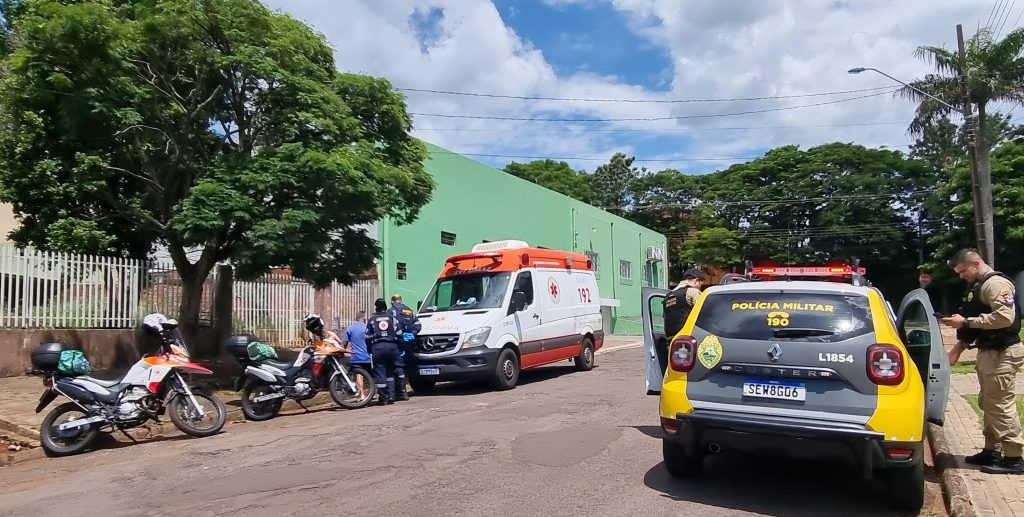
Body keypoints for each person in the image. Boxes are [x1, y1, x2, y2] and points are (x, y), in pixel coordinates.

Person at [941, 249, 1024, 474]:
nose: (961, 276)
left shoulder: (995, 284)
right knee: (988, 403)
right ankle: (992, 450)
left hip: (1002, 354)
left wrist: (966, 322)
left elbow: (1004, 318)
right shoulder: (980, 286)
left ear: (976, 263)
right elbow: (979, 320)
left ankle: (1014, 457)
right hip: (991, 353)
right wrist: (958, 347)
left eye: (963, 271)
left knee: (1000, 405)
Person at [659, 268, 705, 375]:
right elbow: (702, 312)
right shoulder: (693, 292)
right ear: (696, 281)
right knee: (691, 371)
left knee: (675, 369)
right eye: (700, 283)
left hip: (671, 339)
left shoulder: (668, 296)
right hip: (688, 338)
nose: (700, 286)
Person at [366, 298, 402, 406]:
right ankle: (391, 396)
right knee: (390, 372)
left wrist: (369, 349)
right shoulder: (393, 319)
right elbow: (400, 334)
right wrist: (399, 348)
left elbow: (367, 337)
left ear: (376, 307)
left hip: (378, 348)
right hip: (392, 347)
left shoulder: (372, 320)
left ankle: (384, 398)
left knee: (380, 372)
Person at [389, 294, 422, 402]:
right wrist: (412, 333)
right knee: (407, 367)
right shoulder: (409, 310)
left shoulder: (391, 311)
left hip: (398, 343)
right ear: (401, 300)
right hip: (410, 343)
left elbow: (390, 327)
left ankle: (399, 392)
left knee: (397, 367)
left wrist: (399, 336)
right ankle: (405, 391)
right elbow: (418, 324)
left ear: (393, 301)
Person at [344, 311, 372, 397]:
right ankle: (374, 392)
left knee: (359, 375)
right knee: (372, 374)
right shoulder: (367, 327)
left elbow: (345, 343)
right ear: (364, 318)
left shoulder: (350, 328)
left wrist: (345, 349)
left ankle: (362, 394)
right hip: (368, 356)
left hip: (356, 356)